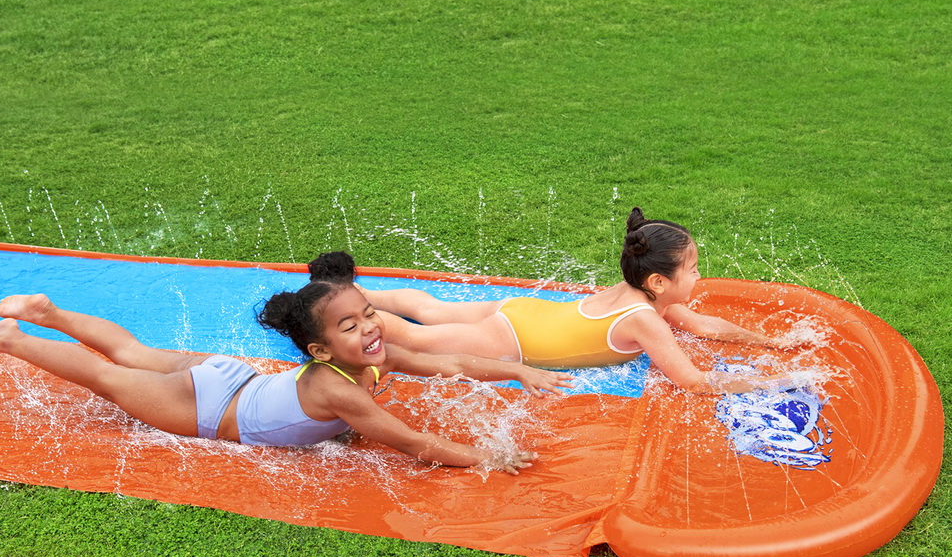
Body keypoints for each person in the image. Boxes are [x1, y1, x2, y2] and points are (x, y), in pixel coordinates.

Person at [0, 284, 573, 473]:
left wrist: (518, 370)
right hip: (206, 407)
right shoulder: (334, 386)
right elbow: (411, 443)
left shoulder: (373, 357)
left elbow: (455, 364)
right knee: (104, 373)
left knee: (130, 350)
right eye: (351, 326)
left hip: (231, 377)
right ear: (319, 349)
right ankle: (14, 338)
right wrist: (485, 457)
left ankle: (49, 312)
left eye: (369, 315)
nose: (370, 328)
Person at [309, 207, 801, 393]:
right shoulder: (648, 320)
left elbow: (705, 326)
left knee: (431, 309)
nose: (698, 276)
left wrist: (768, 342)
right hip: (511, 340)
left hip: (522, 311)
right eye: (692, 269)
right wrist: (771, 382)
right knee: (413, 337)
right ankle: (340, 306)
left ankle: (360, 289)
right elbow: (693, 382)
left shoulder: (641, 296)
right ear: (659, 281)